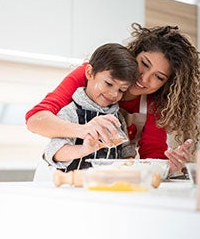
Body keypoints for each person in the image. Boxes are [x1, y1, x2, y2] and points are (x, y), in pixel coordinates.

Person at [26, 23, 200, 175]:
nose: (144, 78)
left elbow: (151, 155)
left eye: (158, 77)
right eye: (143, 64)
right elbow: (36, 120)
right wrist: (84, 130)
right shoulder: (94, 73)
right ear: (134, 53)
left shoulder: (154, 103)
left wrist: (169, 167)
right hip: (61, 176)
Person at [42, 43, 138, 172]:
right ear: (89, 72)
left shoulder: (118, 117)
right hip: (74, 186)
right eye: (109, 84)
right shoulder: (70, 113)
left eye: (122, 90)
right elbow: (55, 152)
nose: (114, 94)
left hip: (108, 186)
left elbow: (126, 151)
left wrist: (131, 164)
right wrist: (83, 149)